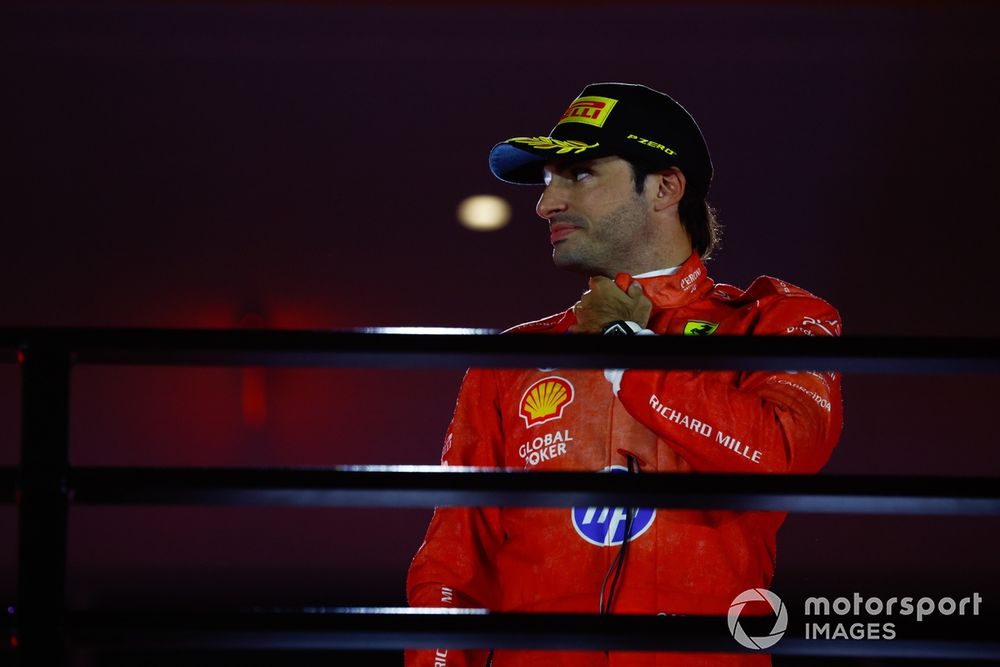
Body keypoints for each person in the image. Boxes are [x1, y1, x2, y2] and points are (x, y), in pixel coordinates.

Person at [405, 82, 843, 667]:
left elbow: (782, 457)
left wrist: (626, 350)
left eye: (579, 174)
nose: (546, 204)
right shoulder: (510, 361)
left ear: (664, 187)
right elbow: (453, 567)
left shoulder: (778, 322)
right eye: (547, 180)